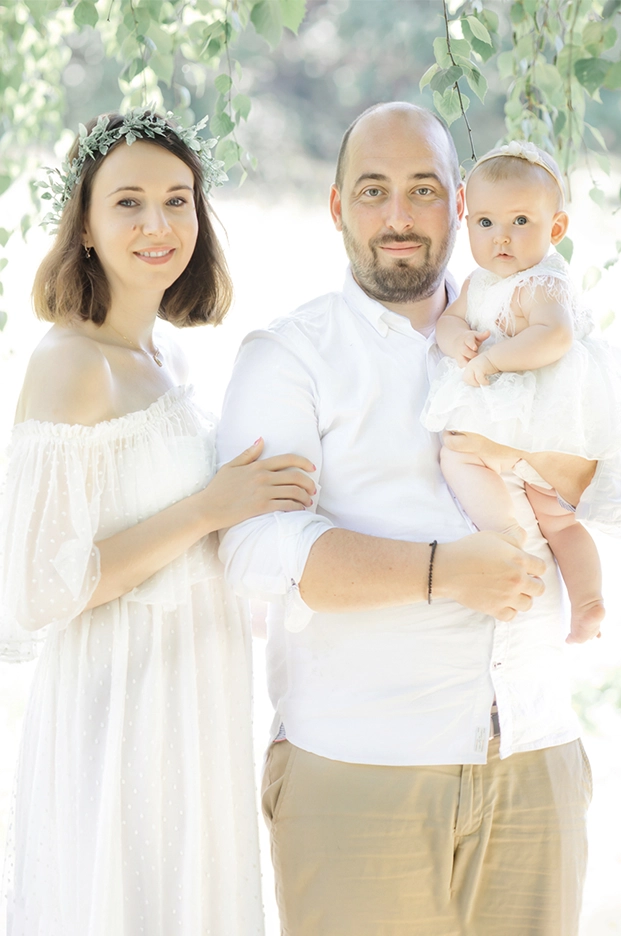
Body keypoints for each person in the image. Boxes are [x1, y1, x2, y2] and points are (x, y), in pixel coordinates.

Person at [216, 102, 620, 936]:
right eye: (372, 191)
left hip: (537, 758)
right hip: (364, 772)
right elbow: (254, 552)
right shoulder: (291, 355)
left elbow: (602, 483)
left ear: (459, 200)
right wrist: (444, 571)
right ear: (336, 208)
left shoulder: (540, 325)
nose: (398, 217)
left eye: (422, 190)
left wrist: (558, 472)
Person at [0, 110, 316, 936]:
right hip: (121, 700)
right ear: (86, 226)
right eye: (130, 203)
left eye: (178, 201)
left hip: (197, 689)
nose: (158, 225)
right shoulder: (68, 363)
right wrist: (210, 506)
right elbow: (40, 586)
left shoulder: (169, 356)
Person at [421, 141, 621, 645]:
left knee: (559, 519)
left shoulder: (546, 281)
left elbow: (554, 337)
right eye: (485, 223)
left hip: (549, 416)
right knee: (459, 457)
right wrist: (457, 339)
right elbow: (449, 320)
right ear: (466, 222)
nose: (501, 238)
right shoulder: (478, 281)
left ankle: (591, 602)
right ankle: (505, 533)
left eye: (520, 222)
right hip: (502, 412)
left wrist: (491, 359)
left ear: (555, 230)